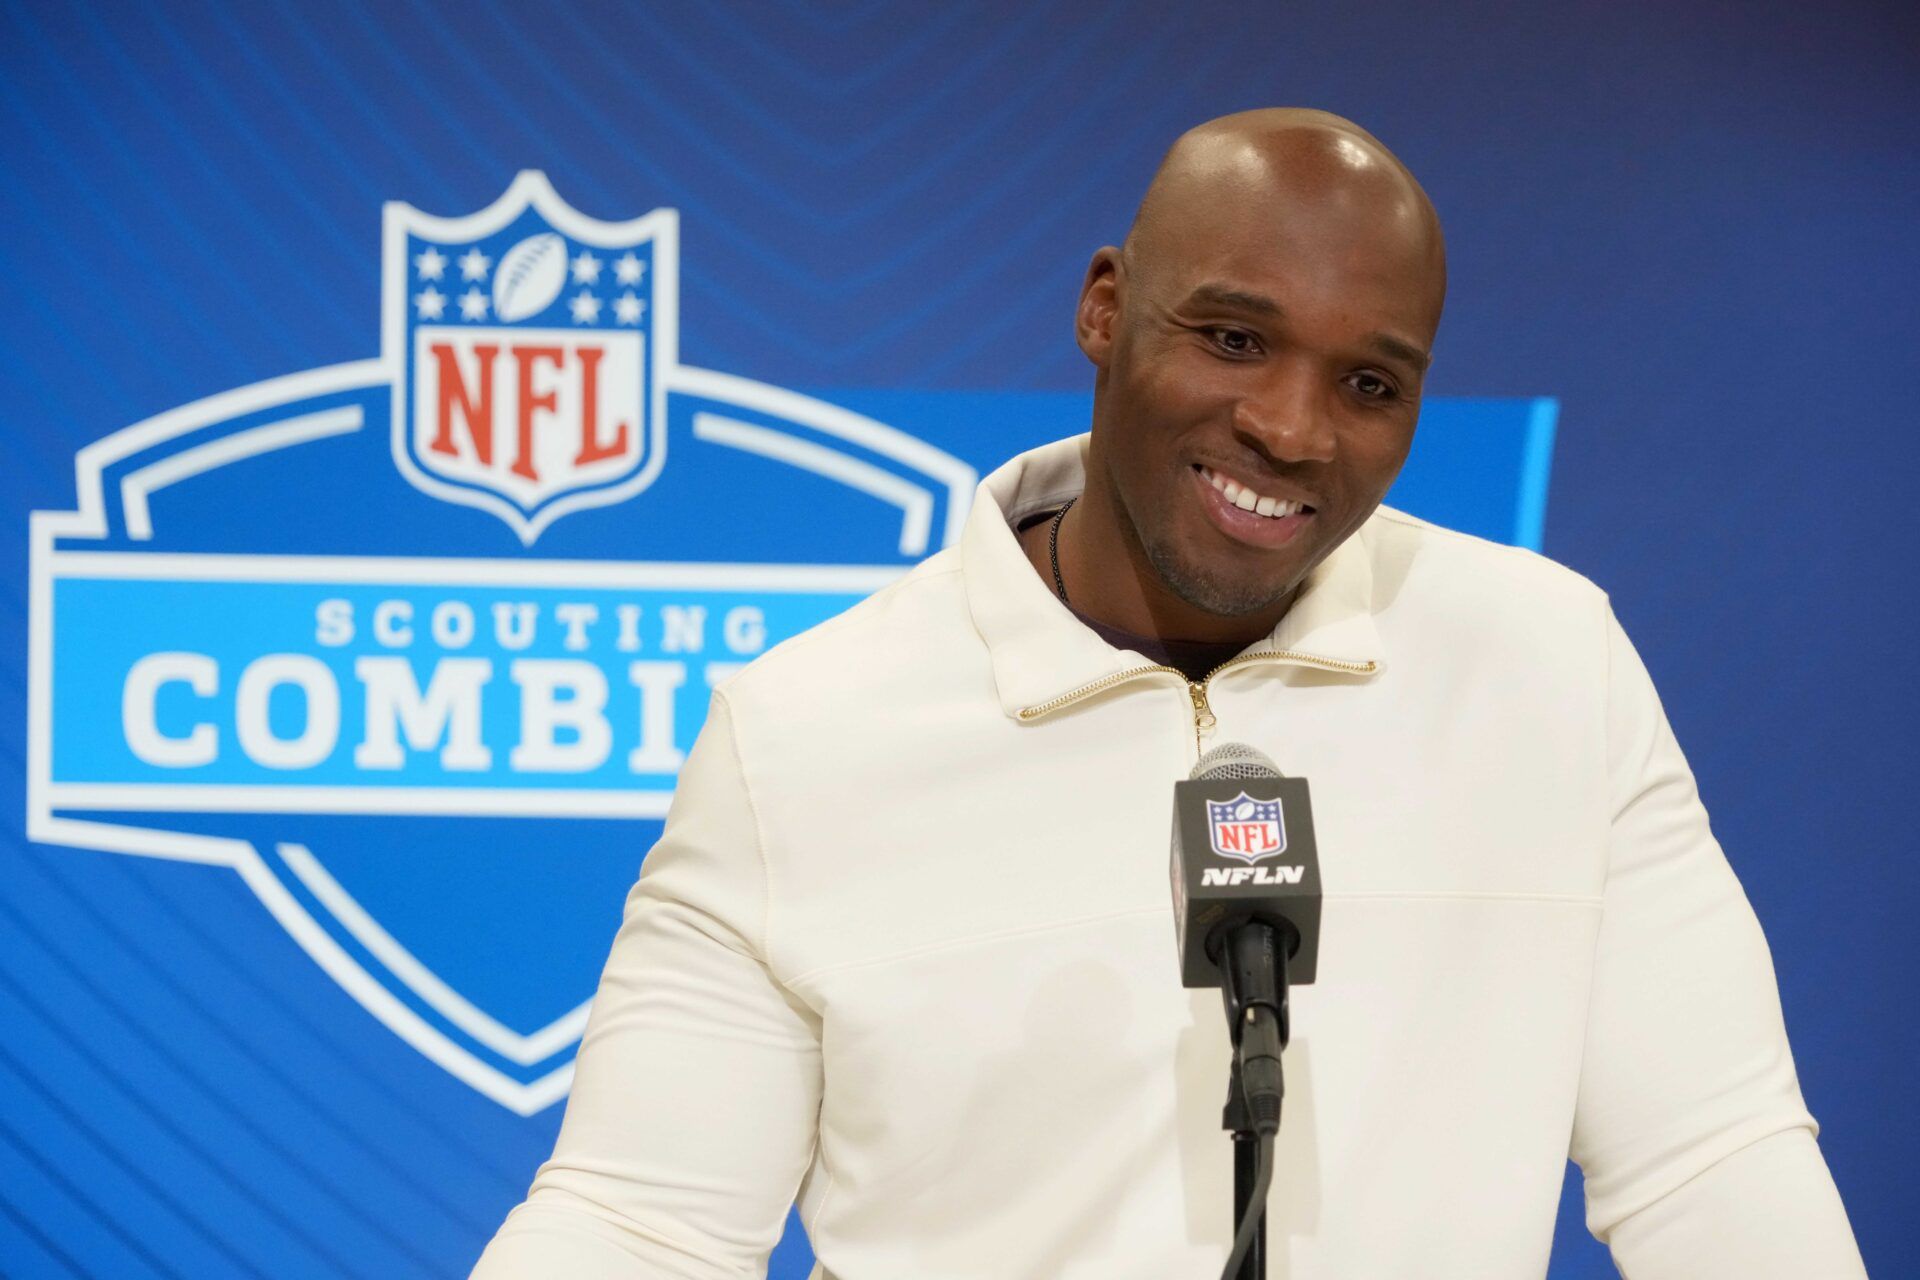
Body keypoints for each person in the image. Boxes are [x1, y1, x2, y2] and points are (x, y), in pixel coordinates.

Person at [471, 109, 1865, 1279]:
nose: (1293, 429)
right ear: (1105, 308)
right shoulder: (808, 730)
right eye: (1236, 340)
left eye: (1371, 381)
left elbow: (1711, 1160)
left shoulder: (1549, 664)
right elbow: (642, 1223)